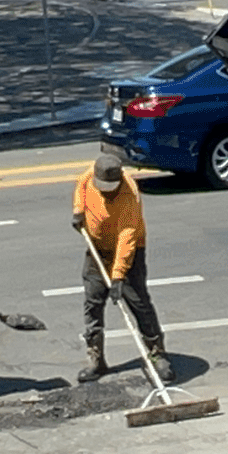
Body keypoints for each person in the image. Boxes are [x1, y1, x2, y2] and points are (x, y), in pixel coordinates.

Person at [71, 150, 166, 383]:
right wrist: (78, 212)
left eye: (109, 189)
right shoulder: (90, 176)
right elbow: (81, 188)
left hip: (128, 252)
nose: (105, 192)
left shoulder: (128, 195)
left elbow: (127, 238)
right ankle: (96, 359)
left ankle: (157, 353)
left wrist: (118, 277)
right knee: (93, 302)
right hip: (97, 248)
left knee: (138, 301)